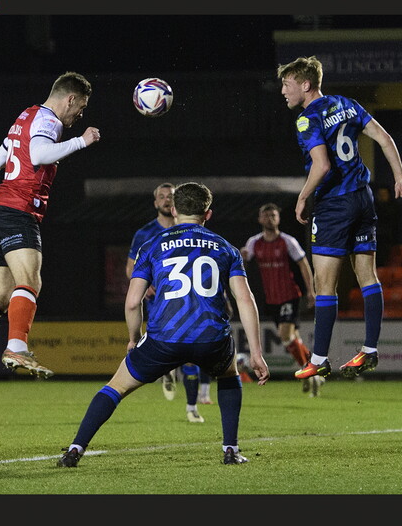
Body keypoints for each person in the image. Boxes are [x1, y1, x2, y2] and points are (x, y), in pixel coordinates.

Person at [57, 182, 270, 467]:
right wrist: (256, 352)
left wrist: (134, 338)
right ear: (208, 214)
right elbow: (245, 300)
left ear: (173, 209)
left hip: (163, 339)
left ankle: (75, 450)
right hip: (211, 340)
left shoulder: (152, 245)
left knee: (115, 387)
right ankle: (230, 450)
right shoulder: (225, 248)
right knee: (229, 377)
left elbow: (133, 302)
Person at [0, 71, 101, 398]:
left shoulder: (25, 115)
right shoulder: (49, 121)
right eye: (80, 108)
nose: (79, 115)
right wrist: (81, 141)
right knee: (31, 279)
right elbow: (39, 155)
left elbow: (0, 157)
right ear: (69, 99)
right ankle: (16, 346)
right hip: (17, 210)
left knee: (2, 294)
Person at [276, 55, 402, 382]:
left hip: (334, 205)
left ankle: (319, 359)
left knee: (325, 285)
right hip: (363, 197)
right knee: (368, 276)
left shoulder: (307, 119)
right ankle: (370, 349)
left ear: (306, 85)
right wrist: (399, 177)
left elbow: (321, 166)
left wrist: (303, 196)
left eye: (287, 84)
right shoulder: (347, 104)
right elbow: (384, 138)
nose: (283, 90)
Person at [126, 182, 210, 421]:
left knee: (190, 353)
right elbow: (130, 267)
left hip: (187, 301)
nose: (166, 200)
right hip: (157, 304)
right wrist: (144, 285)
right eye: (161, 197)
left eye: (170, 196)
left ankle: (192, 407)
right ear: (155, 203)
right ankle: (167, 371)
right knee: (173, 349)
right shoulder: (144, 234)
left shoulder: (189, 231)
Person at [240, 202, 323, 397]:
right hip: (270, 299)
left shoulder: (288, 241)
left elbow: (303, 265)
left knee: (285, 335)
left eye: (273, 215)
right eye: (266, 215)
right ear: (260, 219)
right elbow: (244, 260)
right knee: (291, 339)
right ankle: (313, 371)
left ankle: (308, 372)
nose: (270, 219)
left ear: (278, 219)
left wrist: (311, 292)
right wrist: (242, 256)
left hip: (289, 296)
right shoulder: (254, 242)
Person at [372, 184, 401, 267]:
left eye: (384, 194)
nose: (382, 197)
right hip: (374, 241)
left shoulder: (394, 208)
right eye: (380, 195)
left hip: (388, 241)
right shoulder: (372, 208)